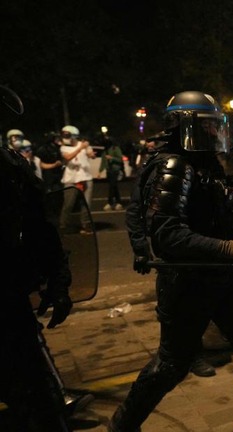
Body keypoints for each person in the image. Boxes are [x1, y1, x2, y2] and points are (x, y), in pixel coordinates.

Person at [111, 91, 233, 432]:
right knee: (173, 363)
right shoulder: (174, 165)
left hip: (220, 278)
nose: (214, 133)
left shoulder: (205, 164)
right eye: (208, 126)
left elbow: (213, 216)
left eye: (216, 126)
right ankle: (122, 426)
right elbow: (167, 234)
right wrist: (228, 249)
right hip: (187, 282)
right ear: (184, 126)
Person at [0, 85, 74, 431]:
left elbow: (39, 227)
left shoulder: (11, 165)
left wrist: (58, 279)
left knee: (39, 403)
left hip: (9, 303)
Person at [58, 125, 96, 234]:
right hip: (71, 179)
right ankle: (63, 225)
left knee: (86, 204)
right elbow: (68, 157)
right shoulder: (64, 147)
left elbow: (90, 154)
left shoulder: (83, 144)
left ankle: (86, 225)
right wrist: (81, 148)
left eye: (67, 135)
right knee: (68, 204)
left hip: (85, 177)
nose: (65, 137)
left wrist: (91, 154)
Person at [99, 137, 124, 211]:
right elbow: (103, 162)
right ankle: (119, 202)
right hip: (109, 170)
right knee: (114, 187)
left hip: (115, 170)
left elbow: (120, 159)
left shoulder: (115, 149)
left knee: (112, 187)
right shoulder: (105, 151)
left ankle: (110, 203)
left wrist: (112, 158)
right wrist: (100, 171)